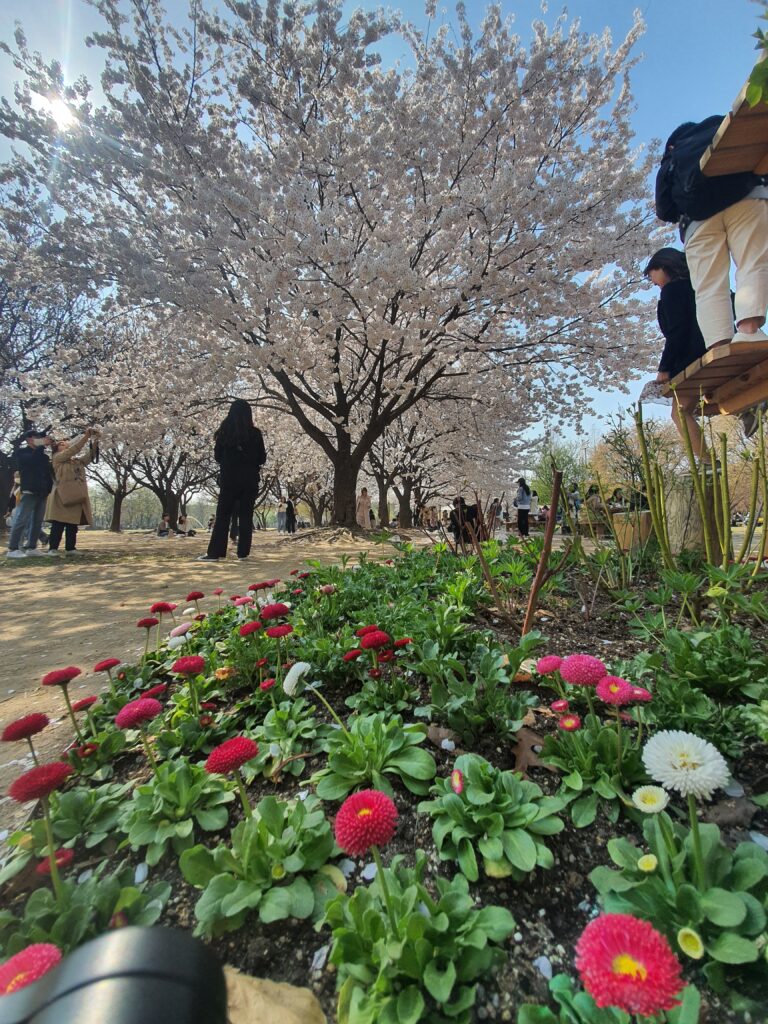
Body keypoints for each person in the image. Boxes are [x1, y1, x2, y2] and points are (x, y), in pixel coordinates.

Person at [655, 116, 768, 350]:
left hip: (696, 219)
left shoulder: (673, 156)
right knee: (752, 261)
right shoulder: (721, 129)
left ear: (671, 145)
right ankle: (749, 331)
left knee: (707, 284)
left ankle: (719, 345)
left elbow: (664, 209)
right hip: (745, 197)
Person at [643, 248, 711, 457]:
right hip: (709, 346)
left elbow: (677, 330)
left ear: (663, 266)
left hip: (691, 357)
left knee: (680, 412)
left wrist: (665, 368)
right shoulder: (697, 286)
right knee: (687, 408)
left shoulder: (672, 291)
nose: (652, 281)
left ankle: (707, 463)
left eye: (652, 273)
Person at [198, 399, 266, 561]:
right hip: (249, 480)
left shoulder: (224, 433)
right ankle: (243, 553)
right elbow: (262, 458)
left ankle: (215, 553)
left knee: (223, 515)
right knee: (245, 516)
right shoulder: (255, 433)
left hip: (229, 480)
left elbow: (217, 457)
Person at [46, 430, 98, 554]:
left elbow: (89, 457)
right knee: (58, 524)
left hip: (75, 495)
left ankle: (71, 548)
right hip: (61, 496)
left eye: (65, 443)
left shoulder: (75, 461)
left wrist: (95, 442)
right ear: (56, 448)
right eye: (61, 444)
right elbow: (73, 450)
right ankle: (53, 548)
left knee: (72, 524)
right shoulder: (57, 458)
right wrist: (86, 436)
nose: (65, 445)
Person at [6, 430, 55, 558]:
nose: (39, 439)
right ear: (28, 439)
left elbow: (47, 473)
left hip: (42, 491)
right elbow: (31, 462)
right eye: (36, 438)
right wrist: (40, 447)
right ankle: (13, 548)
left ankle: (31, 547)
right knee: (22, 519)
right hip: (29, 490)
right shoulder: (22, 453)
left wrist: (48, 488)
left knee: (38, 521)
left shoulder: (44, 456)